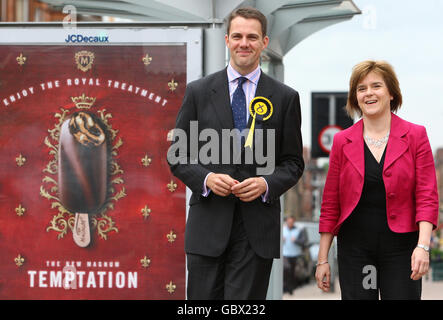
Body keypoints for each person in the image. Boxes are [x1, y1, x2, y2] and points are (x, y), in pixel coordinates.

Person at [168, 7, 304, 299]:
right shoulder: (198, 92)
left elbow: (293, 163)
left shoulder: (285, 98)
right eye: (238, 36)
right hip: (208, 227)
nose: (245, 43)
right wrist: (206, 179)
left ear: (264, 42)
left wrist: (266, 183)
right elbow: (177, 155)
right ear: (227, 40)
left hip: (256, 232)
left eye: (252, 37)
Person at [315, 60, 439, 300]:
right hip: (356, 250)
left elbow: (427, 196)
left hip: (402, 250)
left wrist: (422, 246)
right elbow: (331, 204)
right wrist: (322, 260)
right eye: (361, 88)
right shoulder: (342, 141)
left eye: (376, 86)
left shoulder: (415, 136)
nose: (368, 93)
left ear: (391, 93)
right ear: (355, 97)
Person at [282, 215, 304, 293]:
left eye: (291, 222)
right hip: (285, 253)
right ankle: (285, 287)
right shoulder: (283, 229)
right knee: (286, 268)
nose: (290, 223)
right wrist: (281, 239)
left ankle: (290, 289)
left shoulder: (298, 230)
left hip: (295, 254)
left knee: (292, 272)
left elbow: (303, 242)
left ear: (293, 222)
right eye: (288, 222)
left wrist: (296, 240)